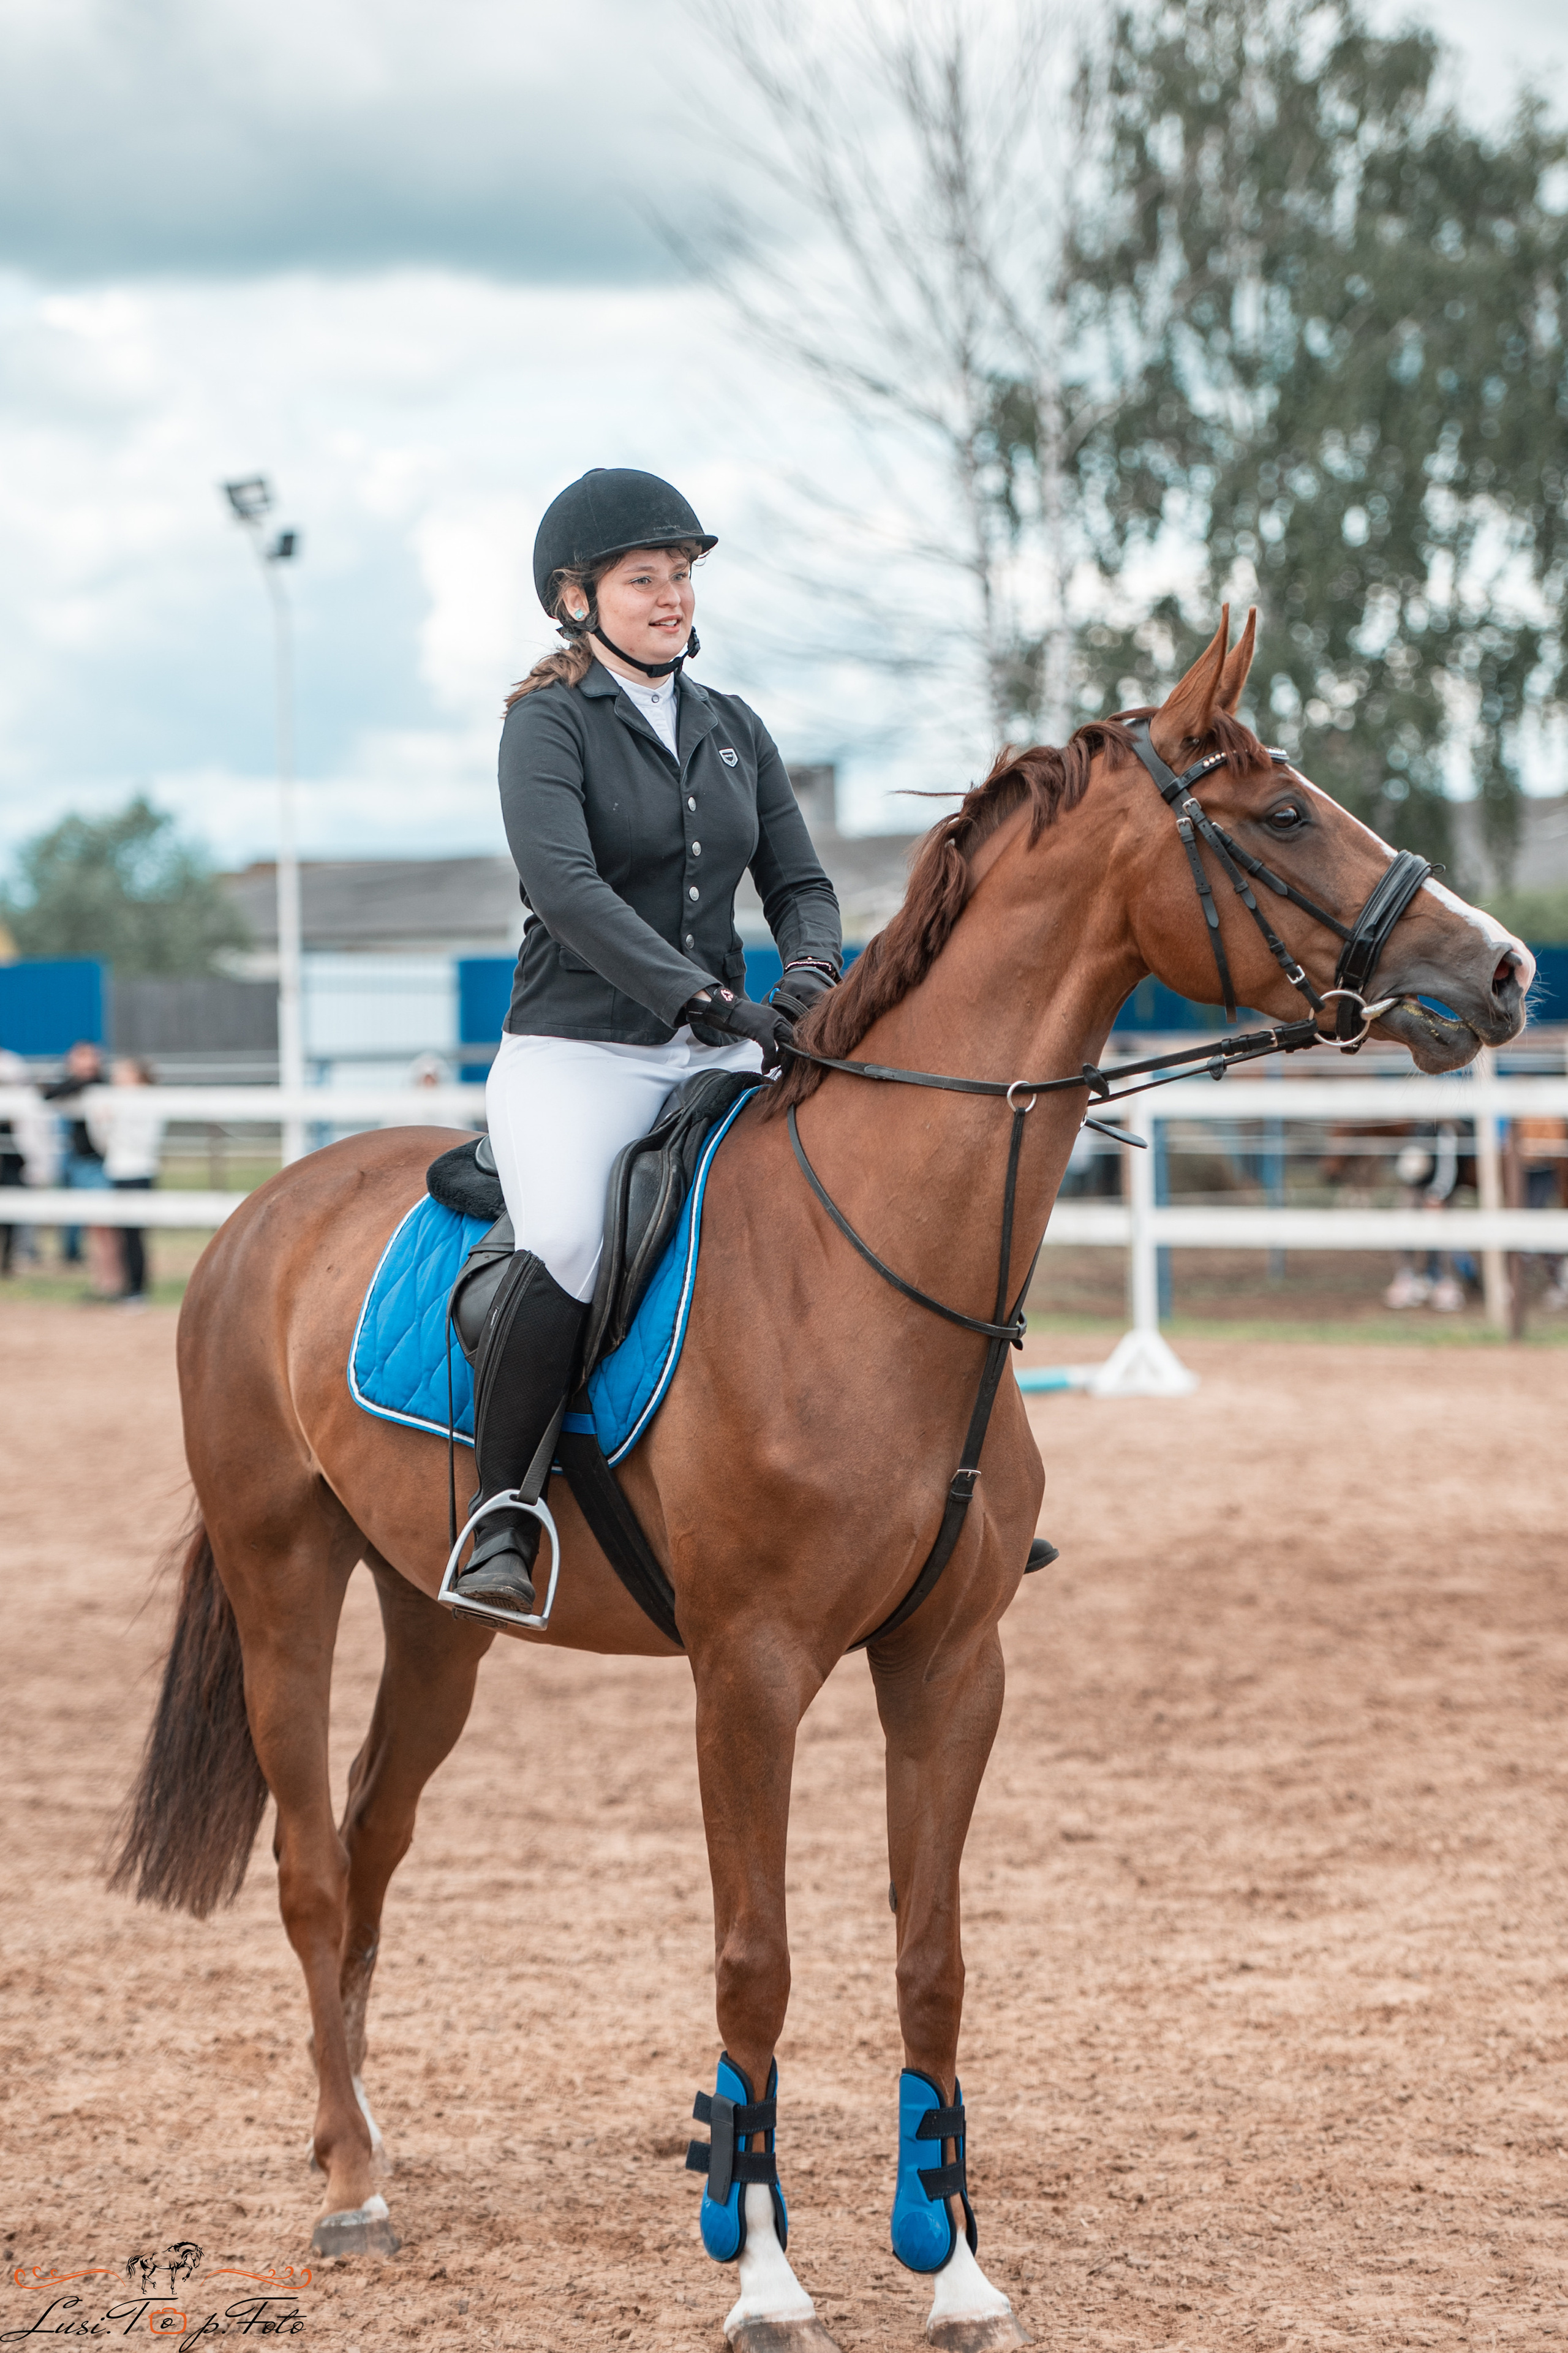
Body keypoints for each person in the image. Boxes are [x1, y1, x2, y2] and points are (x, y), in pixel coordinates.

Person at [455, 467, 842, 1616]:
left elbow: (802, 882)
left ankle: (898, 1484)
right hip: (580, 1050)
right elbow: (568, 892)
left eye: (681, 576)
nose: (671, 597)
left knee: (831, 1199)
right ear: (577, 597)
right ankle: (503, 1510)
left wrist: (812, 977)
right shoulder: (548, 723)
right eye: (644, 579)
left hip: (721, 1042)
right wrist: (710, 1004)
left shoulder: (733, 727)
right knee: (571, 1233)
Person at [42, 1039, 118, 1290]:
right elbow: (48, 1093)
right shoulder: (74, 1088)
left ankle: (110, 1281)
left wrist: (80, 1078)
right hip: (79, 1163)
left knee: (105, 1226)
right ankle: (102, 1281)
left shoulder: (100, 1087)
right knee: (94, 1227)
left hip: (98, 1164)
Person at [91, 1057, 164, 1305]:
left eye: (122, 1072)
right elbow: (102, 1143)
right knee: (119, 1233)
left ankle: (138, 1289)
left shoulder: (148, 1101)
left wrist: (113, 1122)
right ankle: (124, 1286)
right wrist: (105, 1124)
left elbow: (144, 1141)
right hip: (116, 1170)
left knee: (135, 1234)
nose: (116, 1076)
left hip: (139, 1170)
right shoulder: (114, 1100)